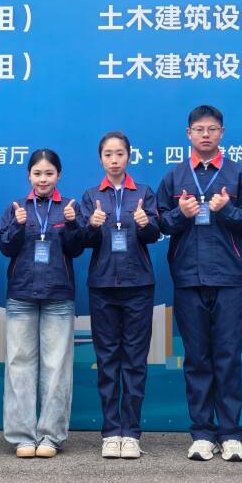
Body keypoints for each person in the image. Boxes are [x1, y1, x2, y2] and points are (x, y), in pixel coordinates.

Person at [155, 105, 242, 462]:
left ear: (222, 133)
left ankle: (230, 434)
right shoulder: (175, 177)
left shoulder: (237, 174)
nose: (205, 135)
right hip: (188, 276)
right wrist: (180, 215)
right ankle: (201, 433)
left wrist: (226, 209)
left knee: (228, 357)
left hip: (228, 277)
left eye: (212, 129)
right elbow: (158, 224)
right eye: (199, 129)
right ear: (188, 133)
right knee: (197, 358)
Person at [0, 149, 86, 458]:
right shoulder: (16, 207)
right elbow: (5, 247)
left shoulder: (69, 207)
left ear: (58, 175)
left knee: (56, 367)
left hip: (58, 296)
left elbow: (76, 249)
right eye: (37, 173)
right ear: (29, 176)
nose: (43, 179)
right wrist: (17, 225)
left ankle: (50, 436)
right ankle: (22, 436)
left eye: (49, 173)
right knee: (18, 366)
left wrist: (73, 224)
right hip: (21, 295)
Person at [78, 131, 160, 460]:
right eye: (108, 154)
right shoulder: (90, 196)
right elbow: (81, 241)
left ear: (129, 156)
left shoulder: (143, 193)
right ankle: (111, 431)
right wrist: (91, 225)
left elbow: (154, 234)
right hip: (102, 287)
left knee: (135, 362)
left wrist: (145, 223)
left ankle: (132, 433)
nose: (114, 160)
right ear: (101, 158)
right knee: (108, 360)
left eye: (120, 154)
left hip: (138, 285)